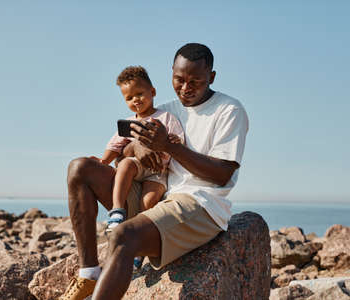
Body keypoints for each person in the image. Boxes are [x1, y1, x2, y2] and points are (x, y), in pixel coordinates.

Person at [62, 43, 249, 300]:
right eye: (179, 79)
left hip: (198, 204)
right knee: (79, 168)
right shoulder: (165, 109)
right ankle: (89, 273)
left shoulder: (229, 110)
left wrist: (168, 147)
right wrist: (137, 150)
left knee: (122, 236)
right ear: (170, 73)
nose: (186, 88)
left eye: (196, 81)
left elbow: (222, 174)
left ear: (212, 77)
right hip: (155, 192)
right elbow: (126, 151)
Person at [94, 66, 183, 234]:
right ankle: (117, 211)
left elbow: (177, 140)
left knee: (148, 202)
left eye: (139, 94)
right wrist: (103, 161)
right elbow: (115, 146)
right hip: (137, 166)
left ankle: (139, 240)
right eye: (129, 98)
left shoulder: (165, 117)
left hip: (158, 170)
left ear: (153, 91)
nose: (135, 100)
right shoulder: (128, 124)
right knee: (126, 164)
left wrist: (174, 140)